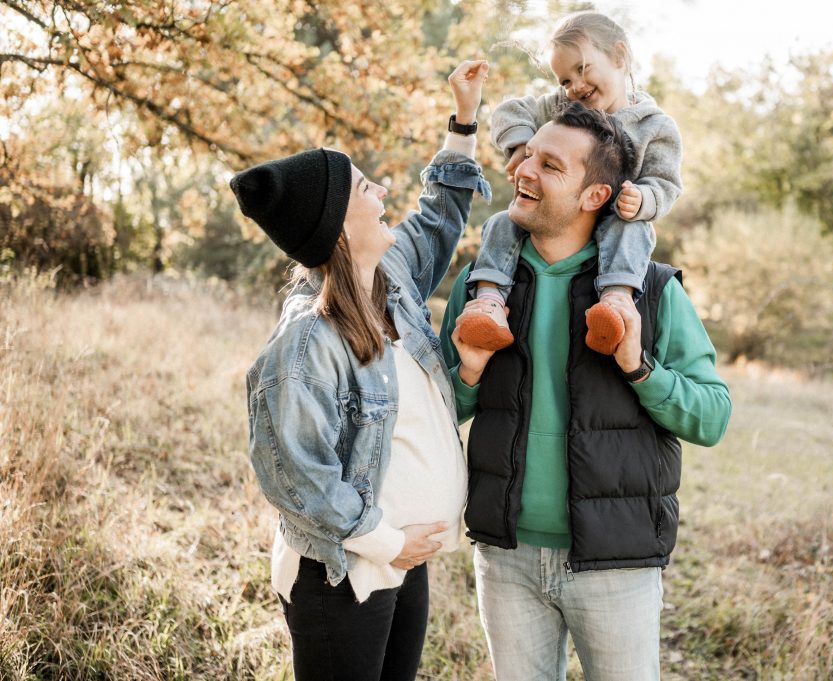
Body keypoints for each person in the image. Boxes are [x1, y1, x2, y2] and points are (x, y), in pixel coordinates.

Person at [440, 102, 731, 681]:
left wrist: (639, 366)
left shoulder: (650, 291)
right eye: (528, 155)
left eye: (550, 165)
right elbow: (441, 412)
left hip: (615, 562)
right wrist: (468, 372)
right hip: (506, 557)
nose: (524, 169)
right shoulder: (482, 288)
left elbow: (713, 416)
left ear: (595, 195)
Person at [233, 60, 492, 681]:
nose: (382, 194)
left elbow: (439, 216)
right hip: (344, 572)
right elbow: (293, 474)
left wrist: (464, 118)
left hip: (404, 561)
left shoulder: (393, 280)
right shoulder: (306, 342)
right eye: (364, 188)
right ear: (336, 228)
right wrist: (387, 542)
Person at [456, 11, 683, 356]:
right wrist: (521, 144)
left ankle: (616, 303)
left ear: (619, 56)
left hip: (616, 216)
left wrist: (644, 199)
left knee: (632, 230)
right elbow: (508, 110)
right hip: (559, 217)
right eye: (564, 80)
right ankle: (489, 303)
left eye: (582, 69)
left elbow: (665, 182)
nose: (574, 86)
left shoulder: (654, 126)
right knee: (503, 223)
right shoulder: (562, 107)